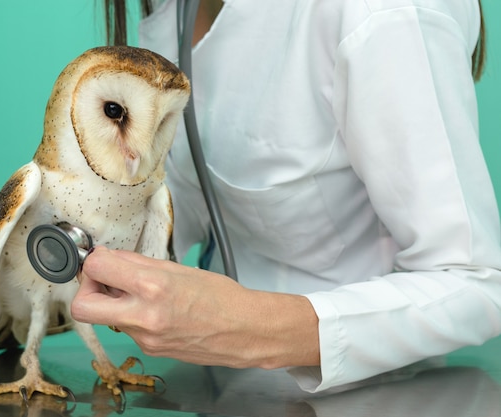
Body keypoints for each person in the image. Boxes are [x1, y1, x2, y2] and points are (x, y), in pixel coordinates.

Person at [71, 0, 501, 393]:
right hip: (217, 387)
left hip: (370, 394)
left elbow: (476, 283)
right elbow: (187, 197)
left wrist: (248, 328)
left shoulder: (386, 12)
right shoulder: (178, 8)